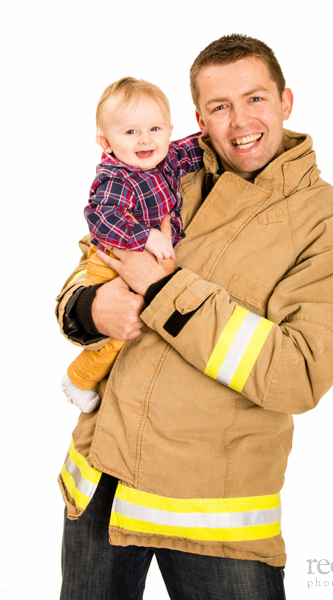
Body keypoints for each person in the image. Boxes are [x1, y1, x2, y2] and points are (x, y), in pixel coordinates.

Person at [56, 34, 333, 599]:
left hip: (212, 514)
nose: (239, 122)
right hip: (101, 480)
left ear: (286, 101)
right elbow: (89, 265)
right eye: (219, 107)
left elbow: (297, 374)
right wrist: (90, 307)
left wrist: (164, 288)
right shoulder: (164, 175)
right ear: (198, 116)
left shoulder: (332, 225)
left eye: (255, 99)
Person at [61, 77, 203, 413]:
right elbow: (101, 218)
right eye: (130, 132)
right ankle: (78, 378)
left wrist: (211, 132)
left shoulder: (163, 160)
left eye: (155, 129)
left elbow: (191, 150)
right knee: (118, 332)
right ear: (105, 142)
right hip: (112, 261)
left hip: (142, 263)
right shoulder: (118, 177)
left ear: (169, 130)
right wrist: (146, 236)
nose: (145, 139)